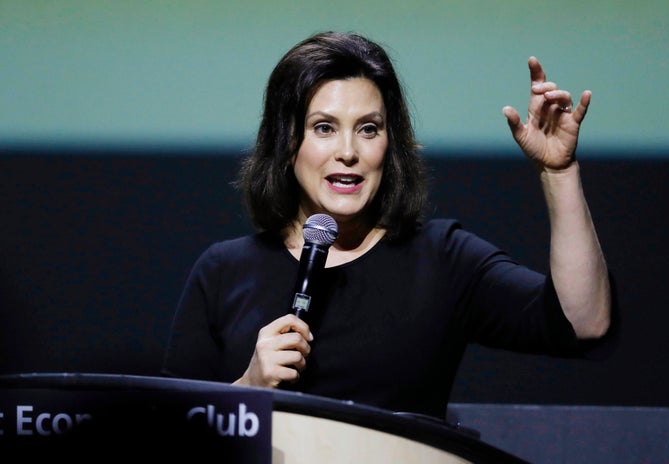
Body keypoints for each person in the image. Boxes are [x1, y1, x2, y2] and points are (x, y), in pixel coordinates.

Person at [161, 31, 614, 419]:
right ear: (286, 141)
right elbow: (167, 438)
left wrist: (559, 173)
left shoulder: (442, 258)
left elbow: (583, 322)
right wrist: (248, 391)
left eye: (368, 128)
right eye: (323, 128)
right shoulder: (223, 271)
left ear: (389, 144)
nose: (348, 151)